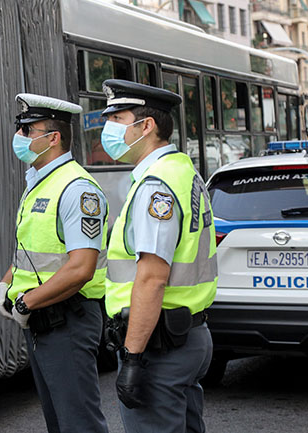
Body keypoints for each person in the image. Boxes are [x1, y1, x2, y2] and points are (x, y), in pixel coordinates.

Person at [100, 79, 217, 433]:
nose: (108, 128)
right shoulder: (181, 170)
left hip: (159, 347)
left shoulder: (156, 184)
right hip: (187, 335)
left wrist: (133, 357)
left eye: (117, 119)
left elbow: (152, 279)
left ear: (146, 125)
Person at [0, 93, 109, 433]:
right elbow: (32, 250)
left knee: (79, 424)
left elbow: (81, 268)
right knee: (59, 423)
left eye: (28, 130)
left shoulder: (77, 189)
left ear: (53, 138)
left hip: (67, 319)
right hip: (43, 321)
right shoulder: (39, 181)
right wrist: (7, 283)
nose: (19, 137)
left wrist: (27, 302)